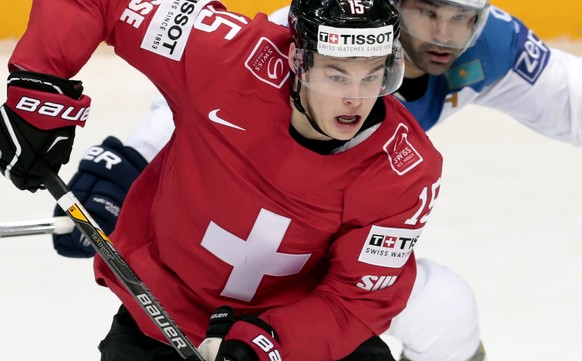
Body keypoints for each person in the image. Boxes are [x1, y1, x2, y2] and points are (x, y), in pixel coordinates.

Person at [50, 0, 582, 360]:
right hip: (234, 231)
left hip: (328, 249)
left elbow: (567, 97)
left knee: (446, 308)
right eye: (426, 9)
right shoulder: (313, 34)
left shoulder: (486, 48)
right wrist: (121, 166)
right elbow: (211, 106)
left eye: (463, 17)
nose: (445, 36)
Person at [0, 0, 445, 360]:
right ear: (298, 60)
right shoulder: (227, 54)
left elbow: (356, 301)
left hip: (298, 342)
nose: (356, 97)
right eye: (335, 74)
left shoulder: (405, 169)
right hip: (163, 314)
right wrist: (39, 88)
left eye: (374, 75)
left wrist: (267, 344)